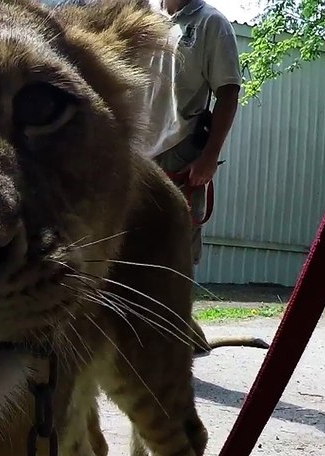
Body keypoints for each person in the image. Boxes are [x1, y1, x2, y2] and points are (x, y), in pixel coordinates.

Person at [139, 0, 243, 267]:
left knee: (176, 251)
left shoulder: (212, 23)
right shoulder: (140, 14)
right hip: (135, 154)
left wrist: (210, 156)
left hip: (179, 154)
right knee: (129, 246)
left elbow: (228, 93)